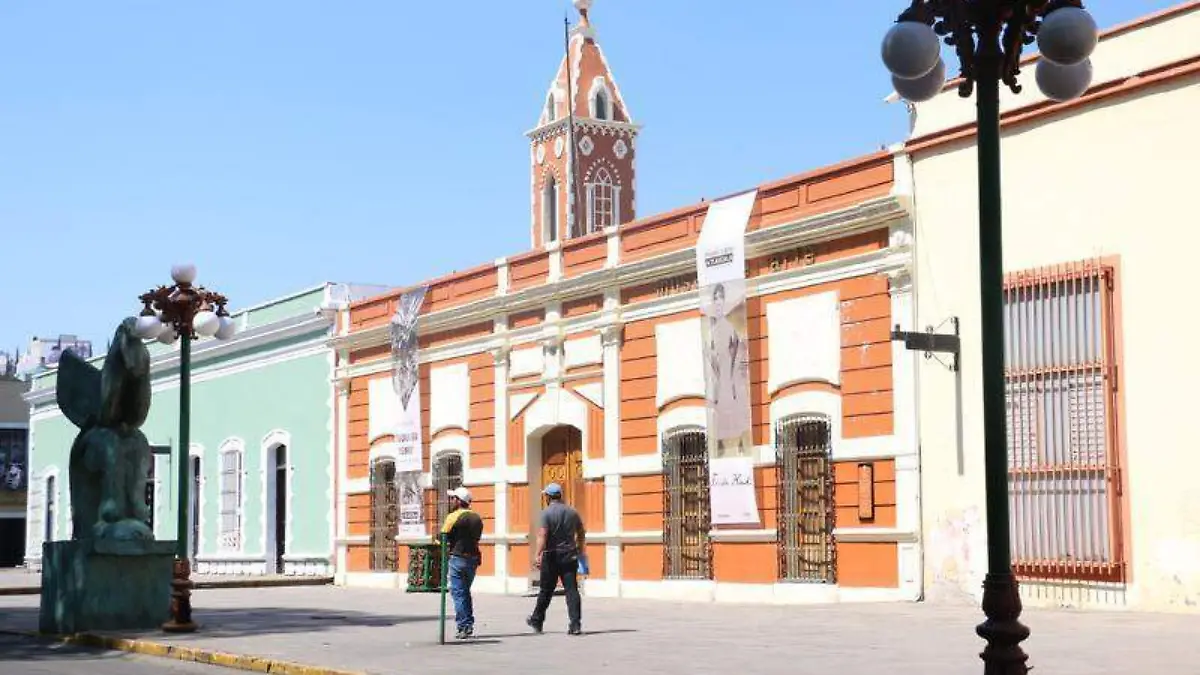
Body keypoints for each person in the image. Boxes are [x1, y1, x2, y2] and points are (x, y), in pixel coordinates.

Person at [526, 482, 586, 636]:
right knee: (572, 590)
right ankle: (575, 624)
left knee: (546, 590)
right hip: (569, 555)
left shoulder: (546, 513)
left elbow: (542, 534)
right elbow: (581, 531)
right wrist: (579, 547)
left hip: (552, 555)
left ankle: (537, 620)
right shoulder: (572, 512)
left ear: (548, 497)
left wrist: (537, 554)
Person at [440, 486, 484, 640]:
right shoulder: (477, 518)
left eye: (453, 498)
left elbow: (443, 536)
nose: (451, 501)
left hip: (457, 558)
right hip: (473, 559)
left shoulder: (453, 517)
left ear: (459, 501)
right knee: (465, 591)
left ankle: (463, 626)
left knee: (458, 593)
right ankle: (469, 623)